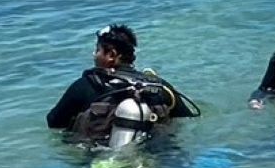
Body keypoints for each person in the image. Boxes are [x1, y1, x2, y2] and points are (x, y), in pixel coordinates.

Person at [46, 25, 200, 149]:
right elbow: (187, 117)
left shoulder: (85, 86)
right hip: (157, 156)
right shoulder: (158, 86)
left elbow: (53, 122)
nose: (94, 55)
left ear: (111, 55)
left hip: (100, 162)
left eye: (97, 50)